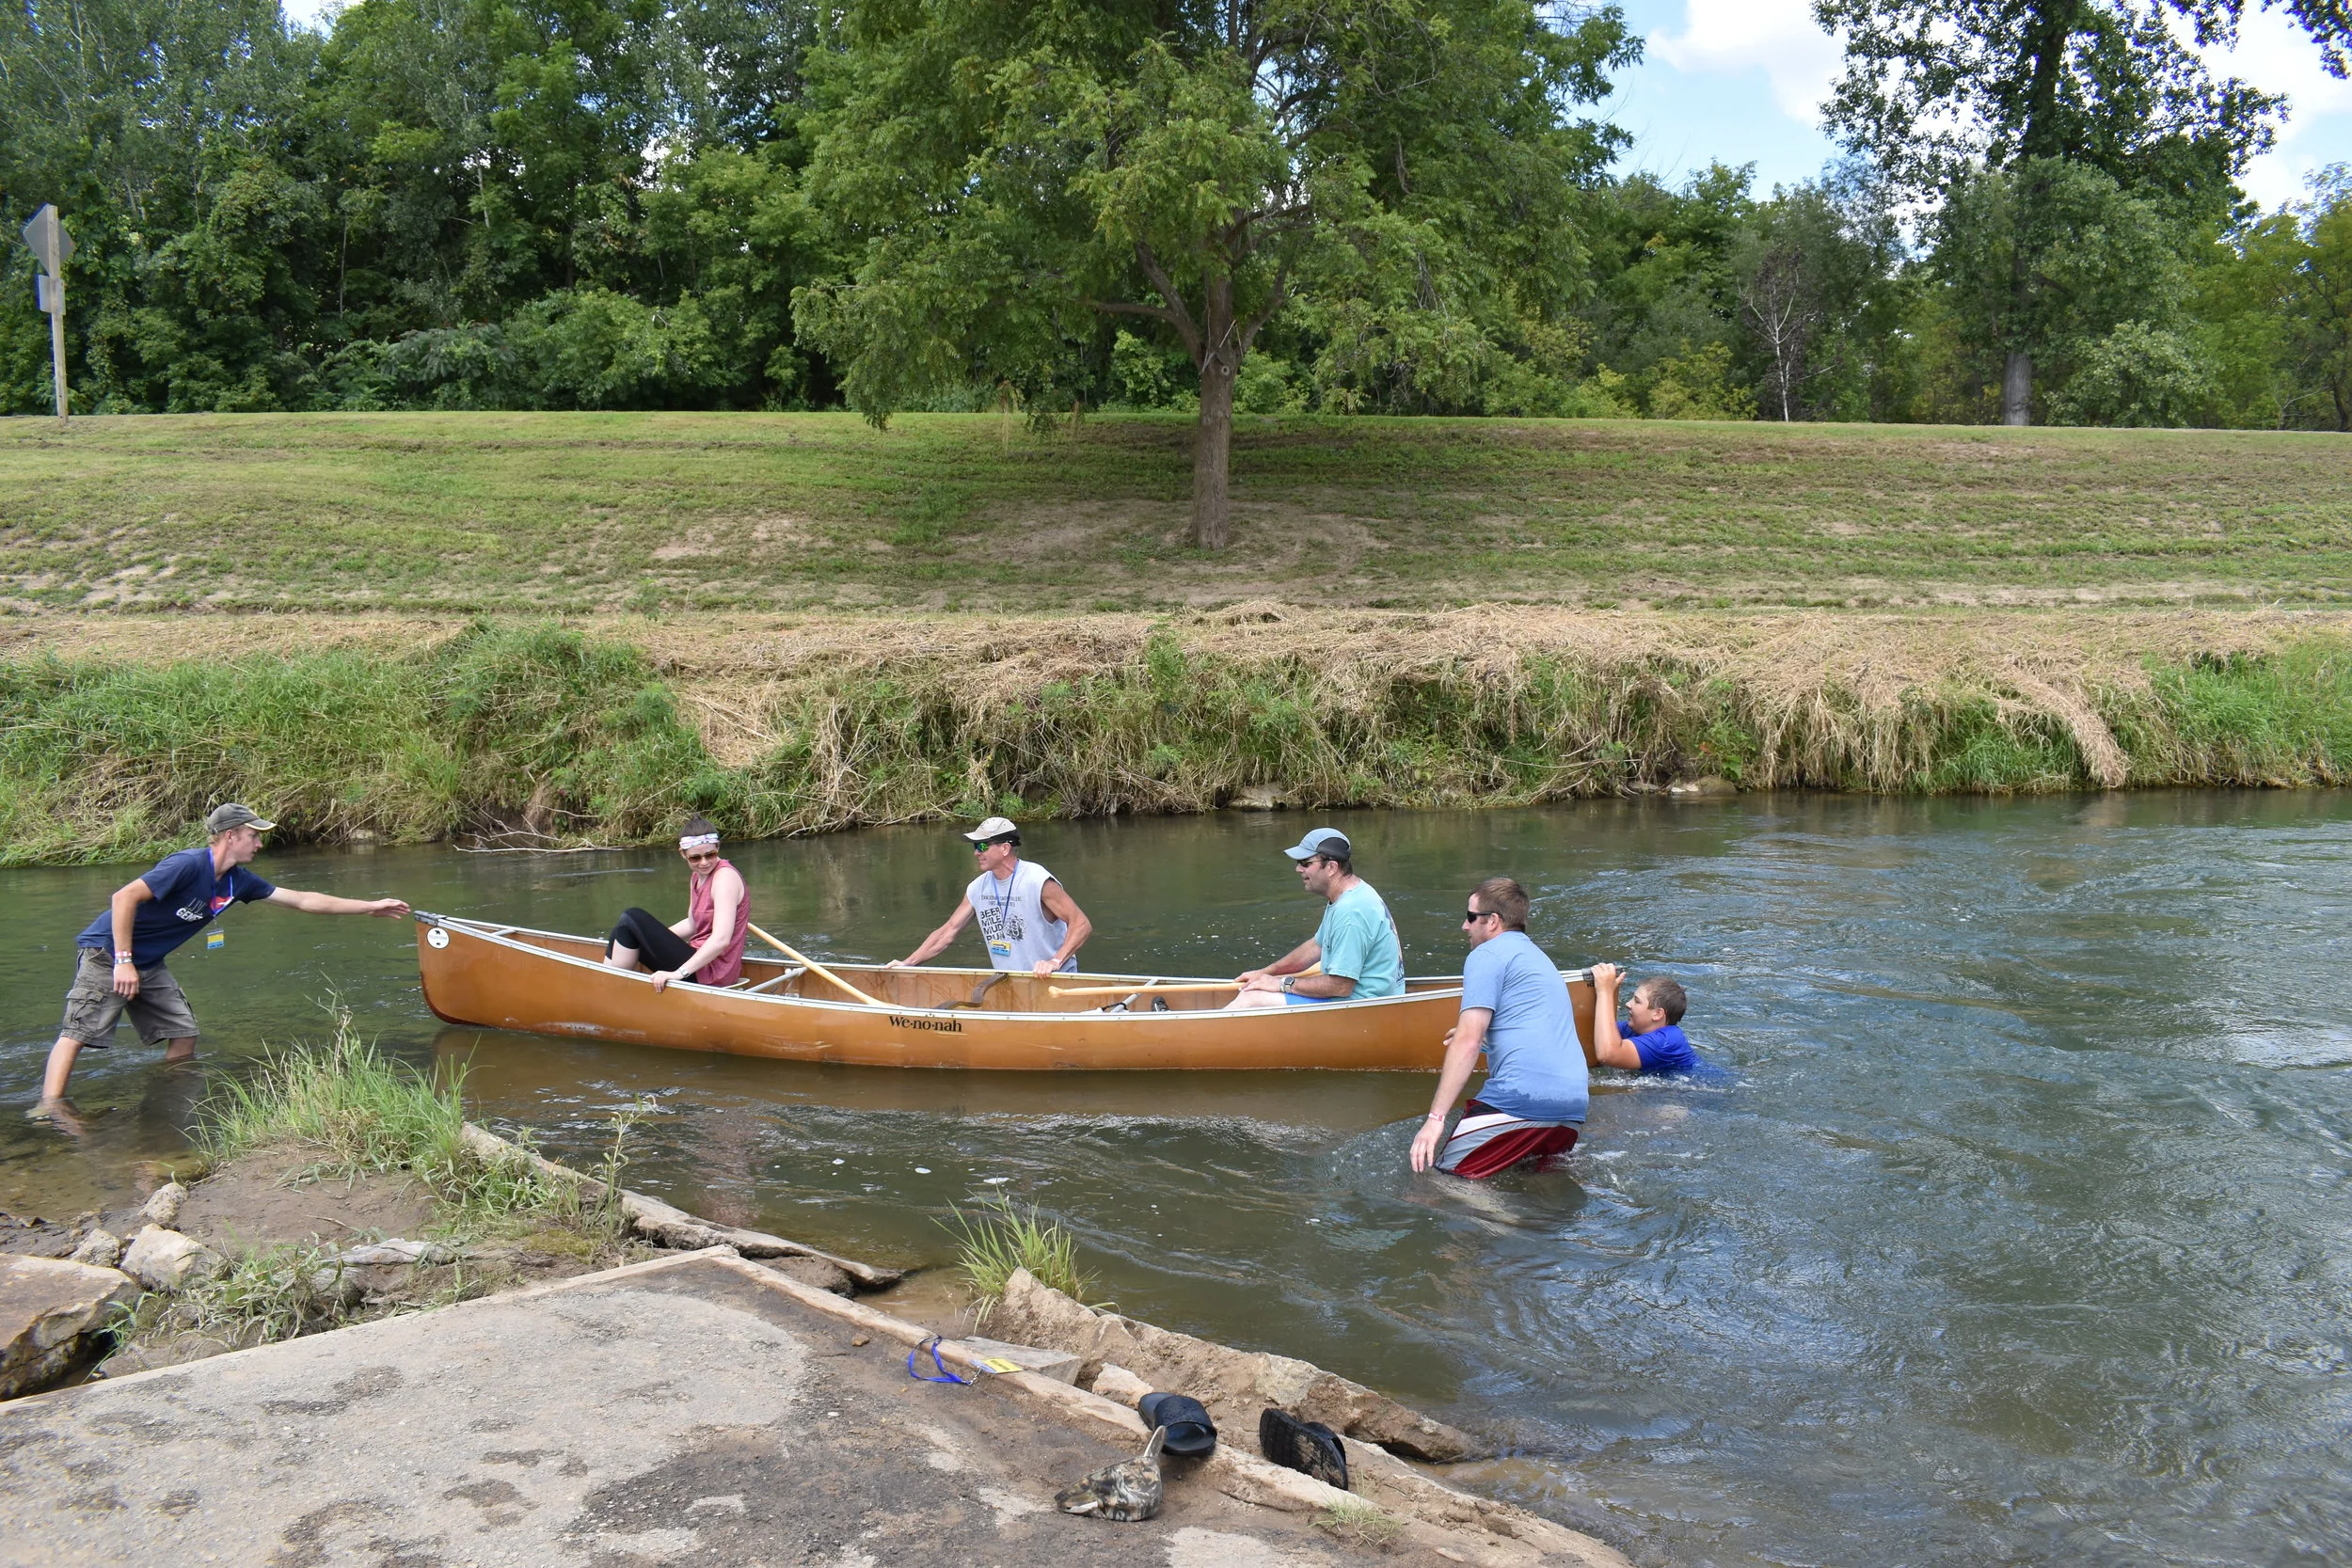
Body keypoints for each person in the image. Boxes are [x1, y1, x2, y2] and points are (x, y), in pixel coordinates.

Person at [35, 803, 412, 1124]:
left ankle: (165, 1103)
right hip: (108, 954)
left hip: (149, 962)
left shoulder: (238, 882)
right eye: (254, 835)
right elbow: (123, 898)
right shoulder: (186, 865)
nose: (260, 843)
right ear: (231, 836)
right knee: (78, 1033)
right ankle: (51, 1111)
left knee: (183, 1032)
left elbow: (302, 899)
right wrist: (123, 962)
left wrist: (369, 906)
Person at [1410, 877, 1589, 1179]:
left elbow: (1467, 1041)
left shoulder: (1486, 954)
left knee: (1442, 1183)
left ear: (1492, 921)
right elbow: (1532, 1027)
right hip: (1572, 1110)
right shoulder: (1539, 959)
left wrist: (1435, 1119)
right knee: (1529, 1181)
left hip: (1521, 1100)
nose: (1465, 927)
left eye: (1470, 917)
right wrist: (1485, 1041)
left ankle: (1504, 1222)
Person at [1227, 828, 1404, 1009]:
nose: (1298, 869)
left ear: (1331, 867)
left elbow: (1341, 986)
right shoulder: (1351, 893)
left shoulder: (1351, 911)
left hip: (1364, 1005)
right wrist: (1265, 973)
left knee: (1251, 999)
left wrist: (1282, 984)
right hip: (1362, 998)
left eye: (1305, 862)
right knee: (1259, 988)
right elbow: (1316, 946)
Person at [894, 817, 1092, 974]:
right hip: (1011, 982)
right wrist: (907, 963)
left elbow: (1081, 924)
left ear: (1005, 848)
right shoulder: (977, 888)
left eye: (982, 846)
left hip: (1054, 981)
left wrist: (1055, 961)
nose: (976, 853)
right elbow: (948, 932)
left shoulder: (1036, 880)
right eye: (975, 847)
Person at [603, 816, 750, 991]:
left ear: (717, 848)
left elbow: (721, 940)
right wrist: (652, 938)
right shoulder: (697, 876)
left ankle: (611, 988)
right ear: (683, 854)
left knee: (631, 916)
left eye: (710, 854)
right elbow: (692, 924)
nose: (703, 862)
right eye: (695, 858)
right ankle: (607, 979)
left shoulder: (725, 878)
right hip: (696, 959)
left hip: (712, 972)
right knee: (625, 927)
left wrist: (678, 973)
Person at [1588, 963, 1704, 1074]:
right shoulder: (1634, 1028)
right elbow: (1598, 1031)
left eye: (1637, 1001)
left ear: (1657, 1014)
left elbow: (1608, 1055)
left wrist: (1605, 991)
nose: (1628, 1004)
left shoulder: (1667, 1040)